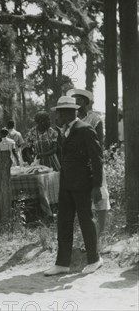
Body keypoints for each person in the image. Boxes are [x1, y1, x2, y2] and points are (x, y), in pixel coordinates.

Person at [45, 96, 104, 276]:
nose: (56, 117)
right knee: (64, 221)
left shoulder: (85, 130)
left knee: (86, 220)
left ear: (68, 113)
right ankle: (62, 263)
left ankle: (94, 259)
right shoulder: (63, 132)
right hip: (66, 185)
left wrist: (97, 186)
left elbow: (97, 159)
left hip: (83, 185)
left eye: (59, 113)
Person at [67, 88, 110, 240]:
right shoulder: (73, 120)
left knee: (99, 194)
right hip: (78, 164)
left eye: (78, 100)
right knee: (82, 198)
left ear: (85, 102)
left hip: (92, 160)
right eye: (74, 100)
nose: (76, 103)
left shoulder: (95, 119)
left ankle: (102, 232)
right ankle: (88, 233)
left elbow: (98, 143)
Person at [0, 128, 17, 221]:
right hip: (8, 158)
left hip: (1, 159)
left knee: (2, 176)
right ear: (7, 134)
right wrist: (18, 161)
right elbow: (14, 152)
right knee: (8, 174)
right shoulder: (11, 141)